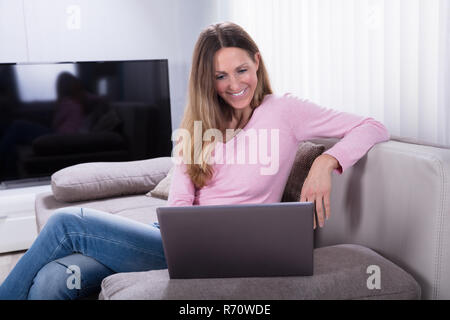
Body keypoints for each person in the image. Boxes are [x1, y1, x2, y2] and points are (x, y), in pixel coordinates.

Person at [0, 21, 389, 300]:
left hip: (234, 248)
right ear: (208, 79)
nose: (234, 85)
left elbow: (373, 126)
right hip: (178, 241)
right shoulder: (199, 123)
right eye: (220, 76)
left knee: (68, 223)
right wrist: (179, 232)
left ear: (257, 62)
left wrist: (327, 163)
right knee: (56, 278)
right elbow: (181, 202)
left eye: (241, 70)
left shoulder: (284, 110)